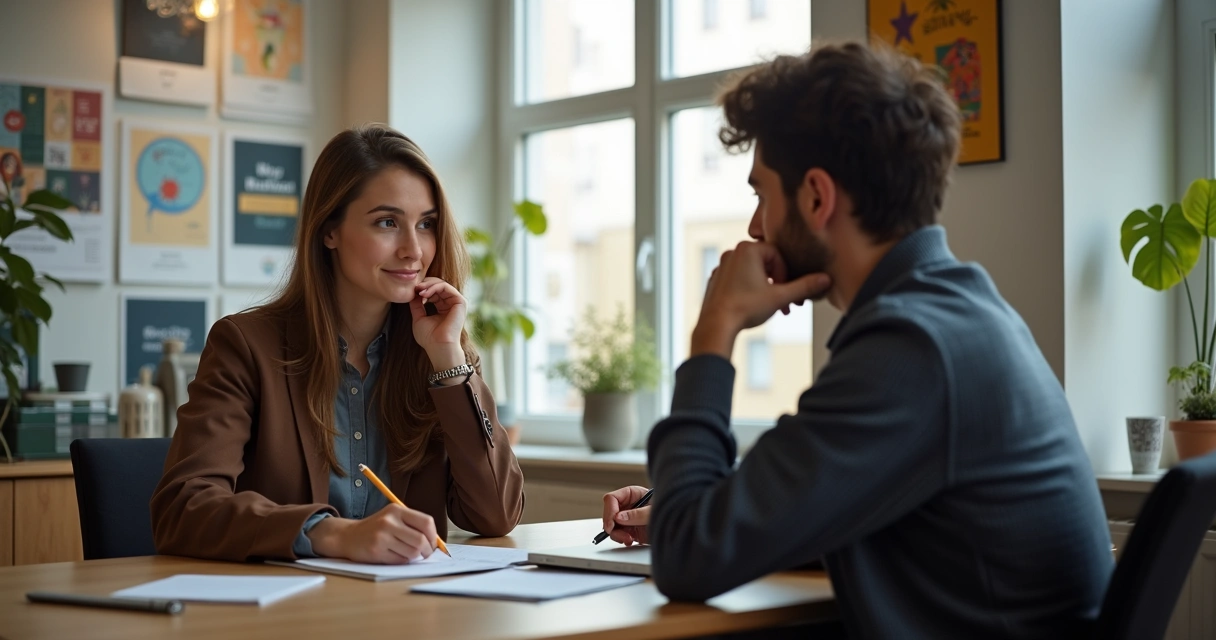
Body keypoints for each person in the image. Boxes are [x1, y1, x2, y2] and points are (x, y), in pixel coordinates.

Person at [602, 42, 1112, 638]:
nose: (754, 227)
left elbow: (689, 558)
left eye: (761, 193)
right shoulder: (958, 310)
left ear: (817, 197)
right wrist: (713, 506)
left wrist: (714, 330)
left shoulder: (912, 348)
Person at [152, 124, 524, 564]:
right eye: (387, 222)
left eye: (426, 224)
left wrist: (448, 360)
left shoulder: (440, 353)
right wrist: (331, 534)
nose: (413, 250)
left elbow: (496, 515)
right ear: (329, 230)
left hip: (411, 615)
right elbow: (184, 508)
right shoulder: (246, 345)